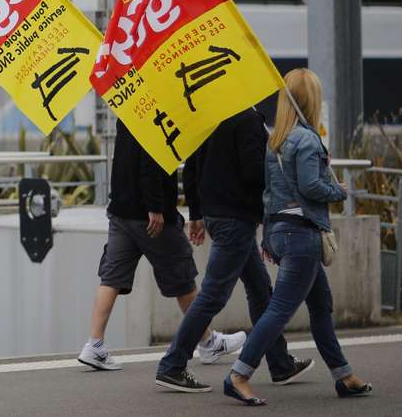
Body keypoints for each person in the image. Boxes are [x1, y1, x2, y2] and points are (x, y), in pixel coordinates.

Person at [224, 68, 371, 406]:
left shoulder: (276, 139)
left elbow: (269, 193)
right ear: (312, 100)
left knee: (321, 306)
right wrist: (340, 190)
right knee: (279, 310)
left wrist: (267, 237)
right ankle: (239, 374)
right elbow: (310, 186)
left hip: (280, 230)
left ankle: (343, 375)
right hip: (300, 235)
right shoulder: (305, 139)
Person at [155, 107, 312, 392]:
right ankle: (172, 365)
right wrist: (280, 171)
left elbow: (192, 166)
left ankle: (280, 364)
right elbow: (253, 172)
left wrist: (197, 211)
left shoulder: (211, 115)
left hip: (219, 214)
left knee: (260, 288)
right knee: (214, 294)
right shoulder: (249, 120)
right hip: (236, 218)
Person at [77, 119, 245, 371]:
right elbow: (151, 158)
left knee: (111, 277)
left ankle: (94, 344)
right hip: (151, 215)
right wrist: (155, 205)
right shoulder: (155, 109)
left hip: (121, 209)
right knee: (182, 276)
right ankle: (208, 341)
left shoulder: (127, 108)